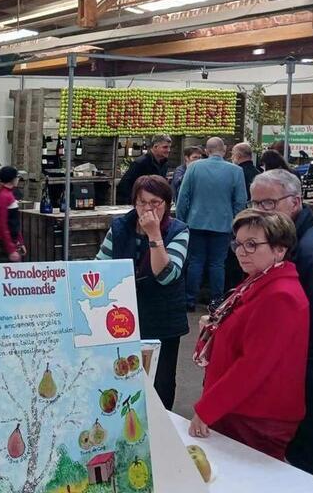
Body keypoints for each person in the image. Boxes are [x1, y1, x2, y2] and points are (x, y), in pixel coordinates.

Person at [249, 169, 313, 481]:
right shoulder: (288, 240)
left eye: (267, 204)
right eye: (254, 203)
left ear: (294, 202)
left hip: (305, 370)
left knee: (307, 446)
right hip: (291, 367)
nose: (258, 211)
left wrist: (295, 372)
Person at [189, 209, 307, 460]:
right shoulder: (260, 279)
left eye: (252, 244)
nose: (241, 252)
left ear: (279, 249)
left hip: (256, 414)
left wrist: (207, 409)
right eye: (239, 244)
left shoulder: (280, 295)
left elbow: (253, 365)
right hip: (243, 409)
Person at [97, 175, 189, 410]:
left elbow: (166, 274)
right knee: (124, 373)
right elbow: (101, 266)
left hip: (163, 316)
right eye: (142, 202)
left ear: (167, 203)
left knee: (161, 379)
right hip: (124, 314)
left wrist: (154, 234)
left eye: (155, 202)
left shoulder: (179, 230)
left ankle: (162, 425)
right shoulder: (119, 227)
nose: (148, 208)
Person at [176, 137, 247, 311]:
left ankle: (190, 300)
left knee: (195, 261)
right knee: (217, 263)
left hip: (195, 222)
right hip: (223, 224)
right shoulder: (236, 171)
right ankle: (216, 300)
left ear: (206, 151)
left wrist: (181, 221)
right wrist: (236, 224)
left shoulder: (193, 168)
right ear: (224, 150)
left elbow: (182, 198)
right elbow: (240, 201)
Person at [118, 134, 171, 204]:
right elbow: (124, 185)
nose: (168, 150)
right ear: (155, 147)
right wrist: (135, 203)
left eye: (169, 147)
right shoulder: (140, 163)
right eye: (165, 147)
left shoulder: (164, 164)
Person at [0, 166, 25, 263]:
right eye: (17, 177)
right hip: (4, 243)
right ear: (12, 179)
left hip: (11, 240)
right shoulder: (3, 196)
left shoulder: (8, 194)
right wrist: (11, 249)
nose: (18, 179)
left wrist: (20, 242)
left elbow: (14, 222)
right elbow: (2, 224)